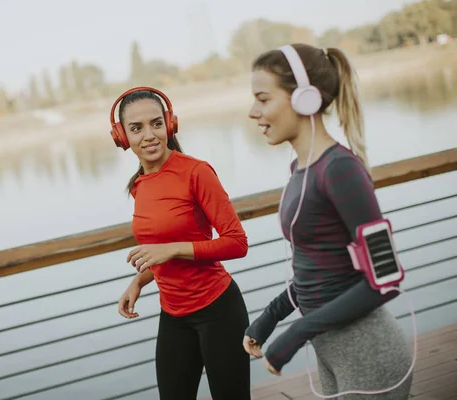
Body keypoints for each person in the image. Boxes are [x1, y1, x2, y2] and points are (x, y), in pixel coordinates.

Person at [243, 44, 413, 399]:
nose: (253, 112)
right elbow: (320, 267)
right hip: (331, 354)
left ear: (305, 98)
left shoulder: (340, 170)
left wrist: (297, 332)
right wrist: (271, 316)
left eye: (263, 99)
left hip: (368, 354)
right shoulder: (301, 171)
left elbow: (386, 280)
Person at [112, 87, 251, 400]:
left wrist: (173, 248)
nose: (149, 135)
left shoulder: (196, 172)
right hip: (173, 314)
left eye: (156, 123)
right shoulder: (138, 186)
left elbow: (236, 243)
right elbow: (159, 249)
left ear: (169, 125)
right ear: (122, 137)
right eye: (136, 128)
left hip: (218, 311)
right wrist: (139, 281)